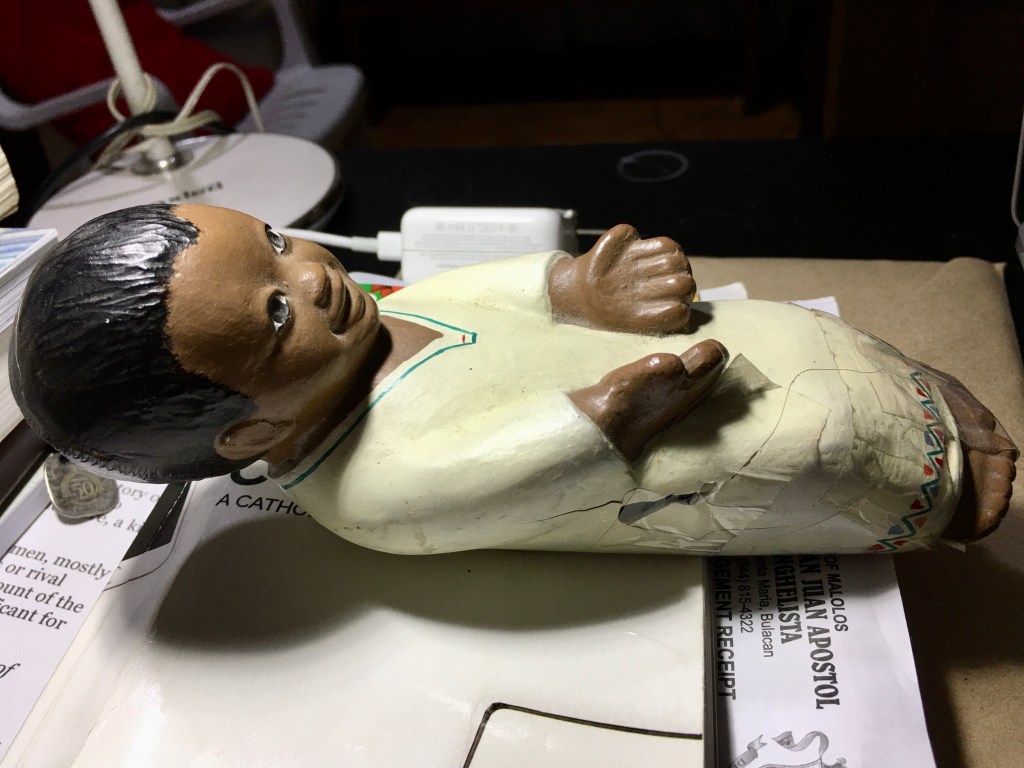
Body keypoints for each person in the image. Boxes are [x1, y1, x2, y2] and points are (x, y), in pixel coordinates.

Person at [10, 204, 1016, 555]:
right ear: (248, 435)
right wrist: (600, 419)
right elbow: (483, 477)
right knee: (810, 442)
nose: (312, 275)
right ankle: (933, 484)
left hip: (690, 357)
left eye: (275, 243)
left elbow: (493, 292)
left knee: (780, 331)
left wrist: (575, 286)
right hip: (663, 428)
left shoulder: (388, 311)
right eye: (276, 316)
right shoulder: (366, 492)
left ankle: (912, 384)